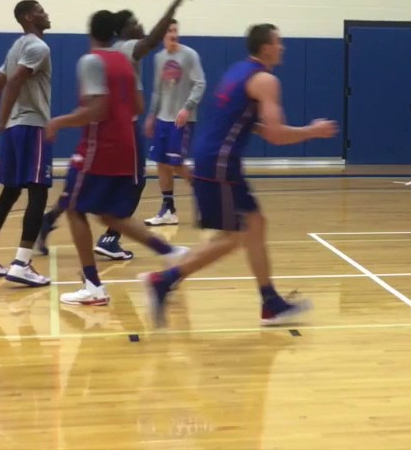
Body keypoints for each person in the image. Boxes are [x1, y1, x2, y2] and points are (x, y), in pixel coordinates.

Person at [139, 24, 339, 327]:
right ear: (266, 47)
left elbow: (243, 121)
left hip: (214, 158)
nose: (282, 47)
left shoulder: (238, 71)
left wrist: (263, 129)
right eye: (278, 42)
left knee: (255, 224)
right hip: (219, 162)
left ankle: (271, 303)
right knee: (232, 238)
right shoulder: (266, 80)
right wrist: (313, 131)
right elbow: (275, 135)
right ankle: (163, 280)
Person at [47, 10, 189, 307]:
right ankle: (169, 252)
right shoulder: (125, 62)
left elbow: (97, 110)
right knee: (110, 215)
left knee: (73, 208)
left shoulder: (91, 61)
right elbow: (137, 105)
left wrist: (59, 122)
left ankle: (93, 286)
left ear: (90, 32)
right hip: (127, 143)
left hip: (100, 145)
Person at [0, 0, 53, 287]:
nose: (46, 13)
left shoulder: (16, 47)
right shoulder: (39, 47)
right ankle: (22, 263)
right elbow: (14, 82)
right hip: (32, 127)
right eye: (40, 10)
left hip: (16, 130)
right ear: (29, 17)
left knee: (10, 192)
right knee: (38, 193)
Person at [143, 19, 206, 227]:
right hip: (163, 118)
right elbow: (157, 90)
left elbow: (200, 83)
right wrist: (152, 115)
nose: (173, 34)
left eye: (175, 30)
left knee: (175, 164)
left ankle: (204, 191)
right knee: (161, 163)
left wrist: (187, 107)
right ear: (162, 34)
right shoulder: (159, 58)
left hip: (181, 120)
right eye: (169, 31)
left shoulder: (189, 55)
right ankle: (168, 210)